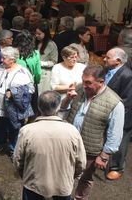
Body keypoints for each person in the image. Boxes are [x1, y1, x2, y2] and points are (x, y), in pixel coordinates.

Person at [62, 64, 124, 199]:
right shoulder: (79, 89)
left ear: (101, 82)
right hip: (69, 144)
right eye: (83, 80)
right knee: (64, 174)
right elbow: (62, 111)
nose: (84, 85)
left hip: (89, 149)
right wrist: (67, 99)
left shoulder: (114, 103)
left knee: (85, 179)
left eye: (88, 82)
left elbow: (115, 133)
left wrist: (104, 156)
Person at [13, 91, 86, 200]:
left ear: (38, 107)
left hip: (34, 184)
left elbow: (17, 159)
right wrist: (72, 176)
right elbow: (81, 163)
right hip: (63, 184)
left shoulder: (27, 131)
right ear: (58, 107)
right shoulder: (72, 131)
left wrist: (23, 175)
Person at [0, 47, 34, 156]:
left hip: (13, 108)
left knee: (14, 127)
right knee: (0, 125)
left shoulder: (22, 71)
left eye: (4, 58)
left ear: (12, 59)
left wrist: (14, 92)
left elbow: (30, 89)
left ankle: (13, 148)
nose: (1, 60)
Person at [103, 48, 132, 180]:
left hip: (123, 115)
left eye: (108, 57)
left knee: (120, 140)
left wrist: (117, 117)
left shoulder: (127, 75)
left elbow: (127, 100)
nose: (104, 59)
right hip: (107, 110)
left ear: (118, 61)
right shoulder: (107, 70)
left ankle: (117, 167)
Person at [50, 46, 86, 118]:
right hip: (62, 101)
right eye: (71, 57)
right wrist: (71, 87)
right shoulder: (57, 68)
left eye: (76, 57)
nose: (74, 59)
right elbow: (54, 87)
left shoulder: (82, 67)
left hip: (79, 100)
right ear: (64, 58)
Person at [35, 23, 58, 95]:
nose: (37, 35)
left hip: (44, 73)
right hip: (35, 71)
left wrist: (41, 63)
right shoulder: (37, 42)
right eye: (36, 33)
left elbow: (54, 61)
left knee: (41, 94)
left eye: (39, 34)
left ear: (45, 33)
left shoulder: (51, 44)